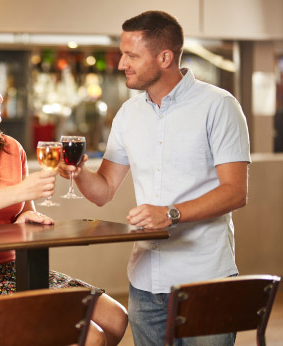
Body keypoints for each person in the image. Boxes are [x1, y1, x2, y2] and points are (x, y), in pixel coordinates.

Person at [59, 10, 250, 346]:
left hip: (205, 281)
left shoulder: (219, 106)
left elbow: (235, 192)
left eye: (131, 55)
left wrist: (170, 212)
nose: (121, 64)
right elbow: (104, 190)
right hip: (145, 284)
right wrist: (79, 174)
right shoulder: (128, 114)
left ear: (165, 57)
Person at [0, 57, 128, 345]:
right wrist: (20, 192)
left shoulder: (11, 148)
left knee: (117, 317)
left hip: (15, 270)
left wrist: (26, 215)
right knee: (91, 336)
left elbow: (23, 211)